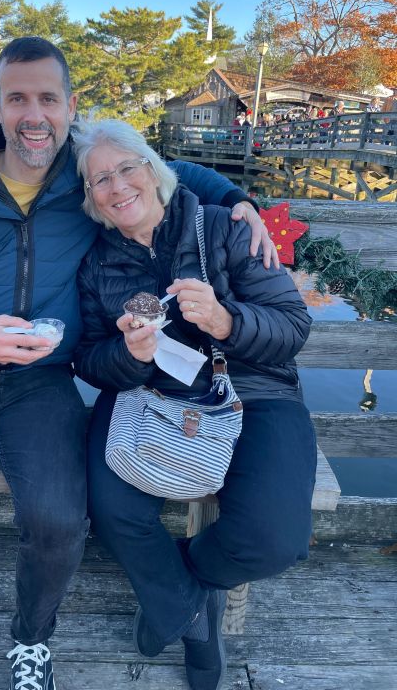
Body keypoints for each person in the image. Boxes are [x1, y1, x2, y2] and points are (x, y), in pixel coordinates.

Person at [0, 36, 277, 690]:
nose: (35, 116)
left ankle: (32, 641)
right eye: (19, 99)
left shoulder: (86, 178)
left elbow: (167, 173)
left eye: (49, 99)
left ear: (70, 106)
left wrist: (237, 198)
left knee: (60, 519)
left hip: (44, 383)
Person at [72, 118, 316, 690]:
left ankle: (183, 582)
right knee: (110, 508)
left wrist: (227, 320)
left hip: (255, 390)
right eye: (99, 179)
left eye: (127, 168)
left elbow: (293, 326)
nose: (117, 186)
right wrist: (129, 355)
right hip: (147, 395)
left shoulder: (227, 229)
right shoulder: (96, 263)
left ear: (154, 171)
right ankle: (192, 619)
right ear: (90, 199)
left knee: (274, 541)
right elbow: (87, 357)